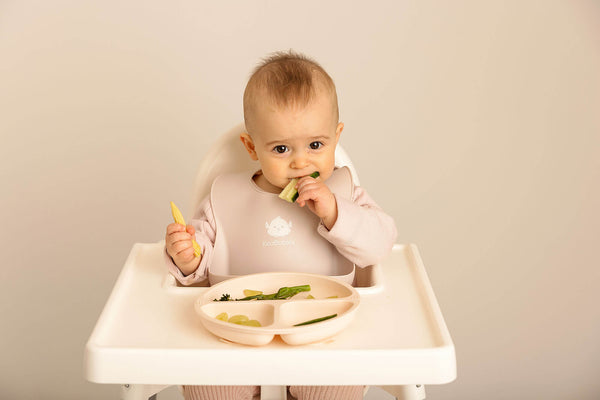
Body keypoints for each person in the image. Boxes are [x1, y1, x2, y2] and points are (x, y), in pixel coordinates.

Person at [165, 50, 397, 400]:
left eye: (316, 145)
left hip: (324, 328)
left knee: (339, 383)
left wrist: (335, 212)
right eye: (281, 149)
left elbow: (380, 244)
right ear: (251, 146)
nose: (301, 162)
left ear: (337, 137)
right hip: (235, 330)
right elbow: (202, 266)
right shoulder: (222, 198)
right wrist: (188, 258)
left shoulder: (343, 194)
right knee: (207, 383)